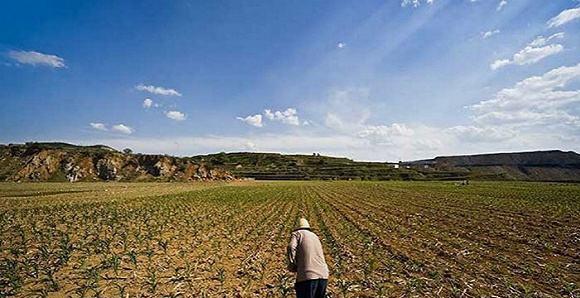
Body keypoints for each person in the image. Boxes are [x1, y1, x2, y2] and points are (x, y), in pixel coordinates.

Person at [287, 217, 329, 298]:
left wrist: (292, 264)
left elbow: (291, 247)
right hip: (323, 275)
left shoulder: (297, 233)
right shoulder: (315, 236)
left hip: (308, 276)